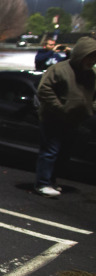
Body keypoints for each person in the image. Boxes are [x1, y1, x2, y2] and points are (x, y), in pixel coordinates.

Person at [34, 36, 96, 197]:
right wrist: (60, 107)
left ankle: (51, 181)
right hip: (53, 118)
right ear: (81, 54)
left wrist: (89, 108)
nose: (92, 60)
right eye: (90, 56)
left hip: (74, 120)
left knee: (63, 153)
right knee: (50, 151)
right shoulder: (59, 69)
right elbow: (44, 90)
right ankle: (42, 183)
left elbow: (92, 95)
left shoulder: (90, 74)